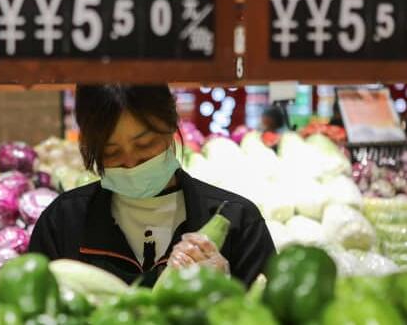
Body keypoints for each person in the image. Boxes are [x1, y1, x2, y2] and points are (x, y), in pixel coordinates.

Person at [29, 85, 275, 287]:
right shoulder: (62, 222)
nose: (131, 162)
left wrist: (227, 290)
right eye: (111, 152)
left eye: (145, 145)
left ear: (171, 125)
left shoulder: (239, 221)